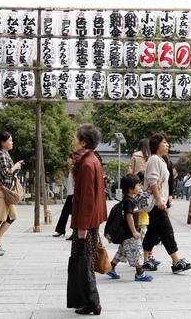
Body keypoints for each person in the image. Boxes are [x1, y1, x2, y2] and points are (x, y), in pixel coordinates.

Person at [67, 124, 107, 316]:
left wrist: (82, 227)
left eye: (75, 138)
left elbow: (87, 199)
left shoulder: (87, 164)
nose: (72, 140)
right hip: (90, 221)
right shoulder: (89, 160)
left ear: (83, 142)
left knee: (84, 261)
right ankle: (88, 300)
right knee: (84, 260)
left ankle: (92, 302)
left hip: (86, 222)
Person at [142, 133, 191, 274]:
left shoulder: (161, 160)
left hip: (160, 202)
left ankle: (146, 260)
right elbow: (152, 181)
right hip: (156, 204)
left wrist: (166, 197)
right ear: (157, 145)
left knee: (153, 232)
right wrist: (158, 199)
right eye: (164, 143)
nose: (167, 145)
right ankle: (176, 261)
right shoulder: (154, 160)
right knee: (167, 231)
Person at [106, 174, 154, 282]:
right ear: (131, 188)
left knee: (121, 252)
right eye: (138, 185)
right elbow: (129, 216)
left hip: (127, 234)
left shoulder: (130, 199)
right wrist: (134, 231)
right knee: (137, 251)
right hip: (130, 233)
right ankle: (139, 274)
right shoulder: (128, 201)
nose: (140, 187)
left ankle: (111, 268)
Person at [0, 132, 24, 256]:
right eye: (10, 140)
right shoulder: (1, 154)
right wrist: (15, 167)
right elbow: (6, 173)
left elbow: (9, 173)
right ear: (3, 142)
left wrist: (16, 167)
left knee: (11, 216)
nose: (12, 142)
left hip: (4, 190)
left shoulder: (5, 154)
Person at [54, 167, 74, 238]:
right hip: (71, 194)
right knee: (65, 212)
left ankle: (74, 233)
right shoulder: (72, 168)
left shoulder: (76, 168)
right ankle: (60, 230)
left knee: (74, 214)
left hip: (74, 194)